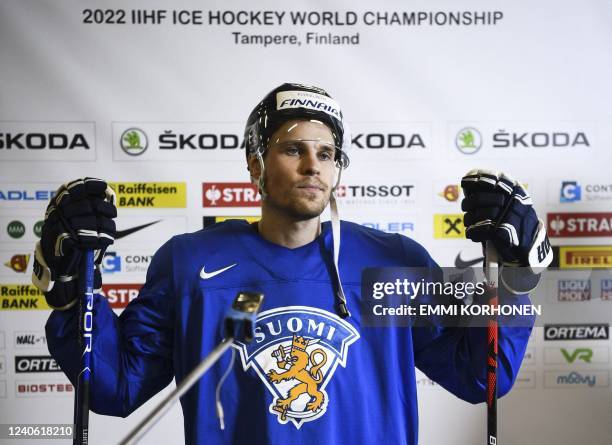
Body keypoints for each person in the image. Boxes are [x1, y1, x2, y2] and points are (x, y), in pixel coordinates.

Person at [32, 83, 552, 444]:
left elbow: (480, 376)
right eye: (293, 149)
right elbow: (114, 387)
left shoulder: (393, 262)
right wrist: (75, 286)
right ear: (255, 164)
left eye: (327, 153)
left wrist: (513, 279)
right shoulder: (191, 262)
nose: (313, 166)